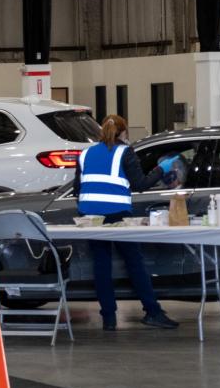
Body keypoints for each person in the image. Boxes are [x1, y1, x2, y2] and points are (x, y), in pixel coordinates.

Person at [76, 114, 179, 331]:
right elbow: (140, 184)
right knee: (134, 262)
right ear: (124, 133)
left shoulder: (85, 154)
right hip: (117, 215)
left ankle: (109, 319)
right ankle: (152, 311)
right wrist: (163, 169)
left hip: (90, 216)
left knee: (101, 265)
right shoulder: (125, 151)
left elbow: (78, 189)